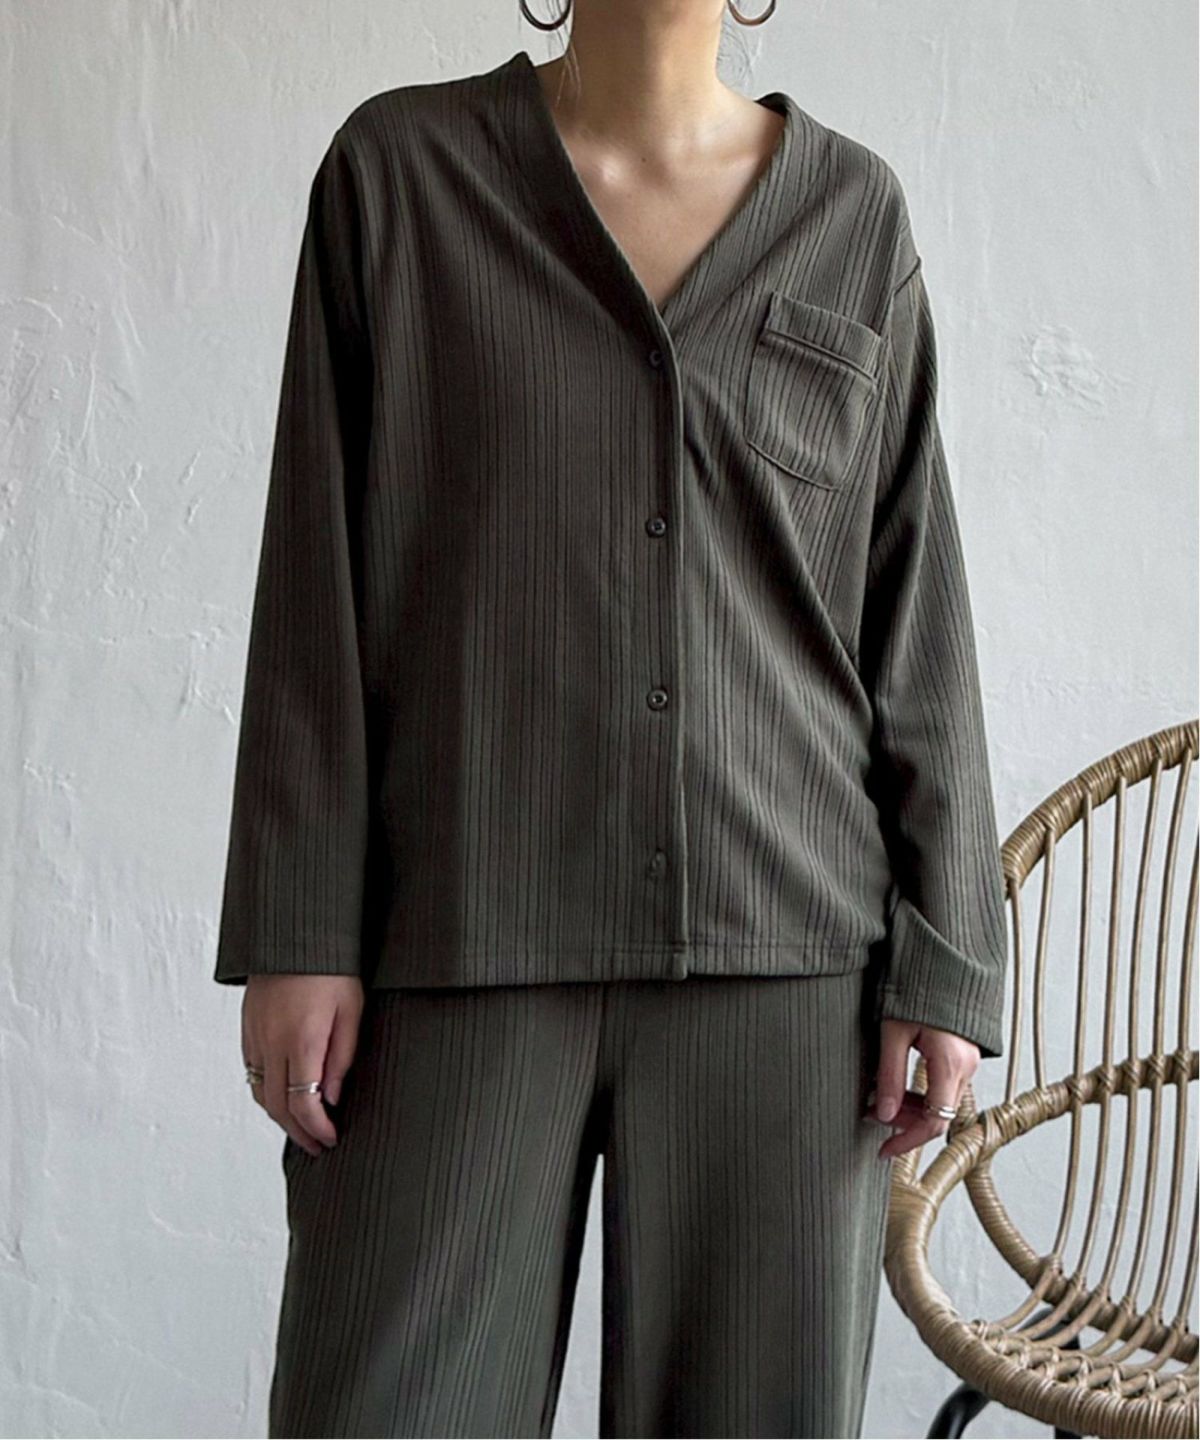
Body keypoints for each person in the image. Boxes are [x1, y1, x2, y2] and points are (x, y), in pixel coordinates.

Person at [213, 6, 1008, 1437]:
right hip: (458, 931)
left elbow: (916, 617)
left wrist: (946, 958)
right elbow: (314, 579)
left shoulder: (853, 215)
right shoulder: (399, 177)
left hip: (785, 956)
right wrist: (297, 927)